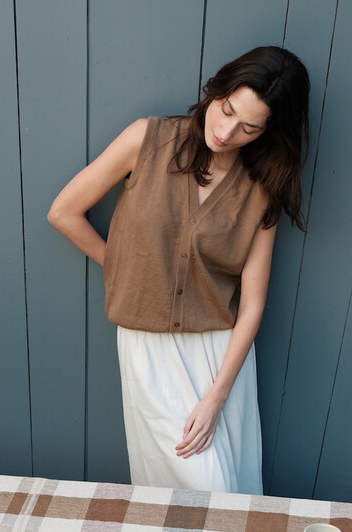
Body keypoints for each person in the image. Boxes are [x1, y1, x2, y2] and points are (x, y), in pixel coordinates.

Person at [48, 46, 310, 493]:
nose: (226, 132)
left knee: (231, 491)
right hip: (148, 351)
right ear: (216, 91)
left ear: (268, 132)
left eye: (248, 127)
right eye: (226, 110)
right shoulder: (145, 140)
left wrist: (217, 397)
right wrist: (129, 269)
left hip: (220, 358)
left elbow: (252, 303)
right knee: (191, 488)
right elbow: (64, 212)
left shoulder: (262, 186)